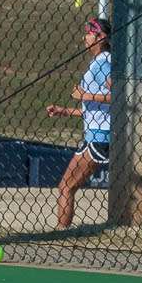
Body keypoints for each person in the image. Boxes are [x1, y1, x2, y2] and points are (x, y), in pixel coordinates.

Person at [47, 17, 112, 230]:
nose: (85, 37)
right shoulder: (97, 63)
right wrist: (65, 111)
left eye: (89, 32)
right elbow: (94, 109)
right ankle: (61, 230)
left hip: (100, 136)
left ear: (100, 37)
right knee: (66, 186)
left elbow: (118, 96)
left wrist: (86, 94)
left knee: (66, 185)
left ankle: (61, 231)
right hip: (94, 134)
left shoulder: (104, 62)